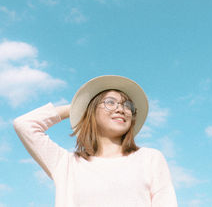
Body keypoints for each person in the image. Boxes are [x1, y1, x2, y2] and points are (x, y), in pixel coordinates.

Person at [14, 75, 178, 207]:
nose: (121, 109)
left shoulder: (149, 158)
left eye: (127, 105)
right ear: (91, 110)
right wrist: (76, 107)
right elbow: (24, 125)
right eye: (110, 102)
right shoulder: (66, 164)